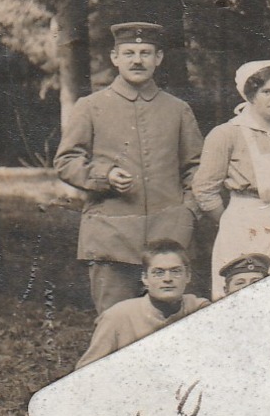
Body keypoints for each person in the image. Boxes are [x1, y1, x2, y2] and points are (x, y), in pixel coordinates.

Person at [55, 22, 202, 314]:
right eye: (130, 52)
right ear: (115, 57)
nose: (138, 60)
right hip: (111, 238)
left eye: (146, 53)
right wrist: (104, 175)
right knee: (115, 322)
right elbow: (66, 160)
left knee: (170, 326)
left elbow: (196, 168)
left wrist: (187, 212)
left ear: (158, 58)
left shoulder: (178, 109)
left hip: (169, 239)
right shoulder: (91, 106)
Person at [193, 60, 270, 298]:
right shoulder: (227, 133)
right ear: (250, 94)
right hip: (243, 221)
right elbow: (204, 188)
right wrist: (228, 220)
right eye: (266, 92)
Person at [76, 240, 208, 368]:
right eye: (158, 273)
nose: (168, 279)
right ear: (145, 278)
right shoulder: (118, 316)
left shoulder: (200, 310)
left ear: (188, 276)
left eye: (176, 271)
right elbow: (86, 373)